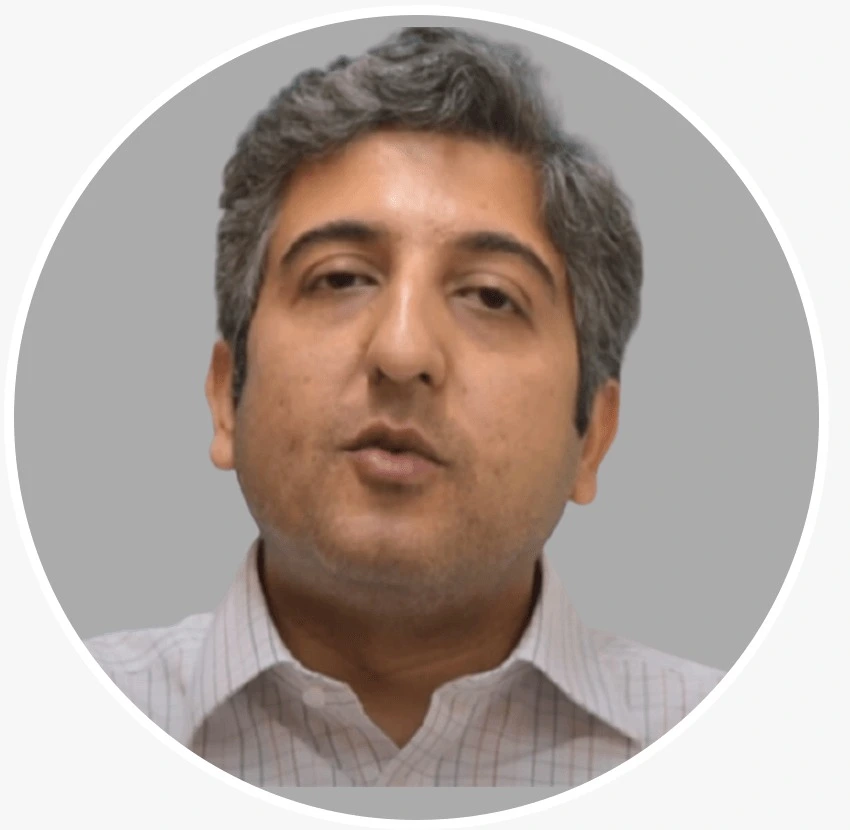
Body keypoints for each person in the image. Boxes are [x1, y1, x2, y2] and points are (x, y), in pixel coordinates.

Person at [86, 26, 723, 788]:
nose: (402, 351)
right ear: (227, 396)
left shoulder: (747, 752)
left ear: (592, 438)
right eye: (340, 278)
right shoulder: (49, 721)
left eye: (490, 296)